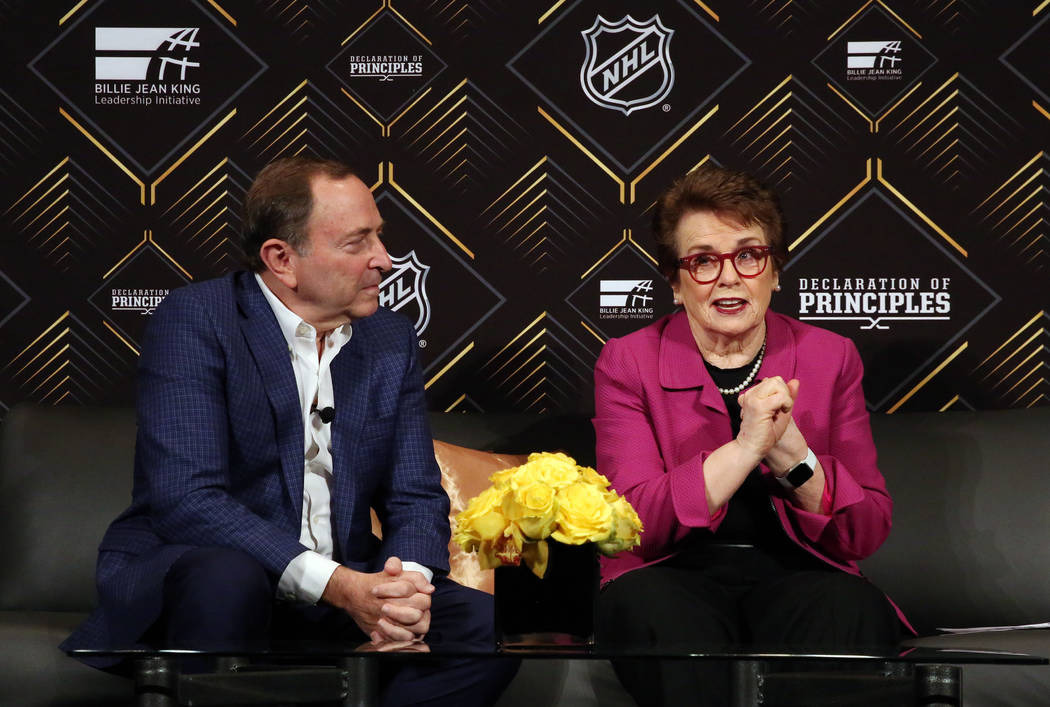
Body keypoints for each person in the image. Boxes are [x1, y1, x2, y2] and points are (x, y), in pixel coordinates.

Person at [62, 156, 516, 706]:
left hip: (348, 585)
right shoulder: (198, 320)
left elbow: (414, 494)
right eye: (357, 243)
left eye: (379, 236)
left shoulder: (389, 340)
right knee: (228, 577)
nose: (384, 259)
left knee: (483, 626)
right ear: (282, 259)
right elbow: (188, 500)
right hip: (215, 583)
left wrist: (404, 588)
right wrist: (340, 586)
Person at [593, 164, 906, 706]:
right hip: (669, 574)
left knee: (848, 608)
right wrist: (744, 449)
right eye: (704, 261)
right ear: (674, 281)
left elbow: (866, 530)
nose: (730, 277)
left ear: (775, 271)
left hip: (800, 572)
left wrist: (792, 453)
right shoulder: (628, 362)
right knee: (659, 614)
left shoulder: (830, 358)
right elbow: (630, 526)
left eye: (749, 254)